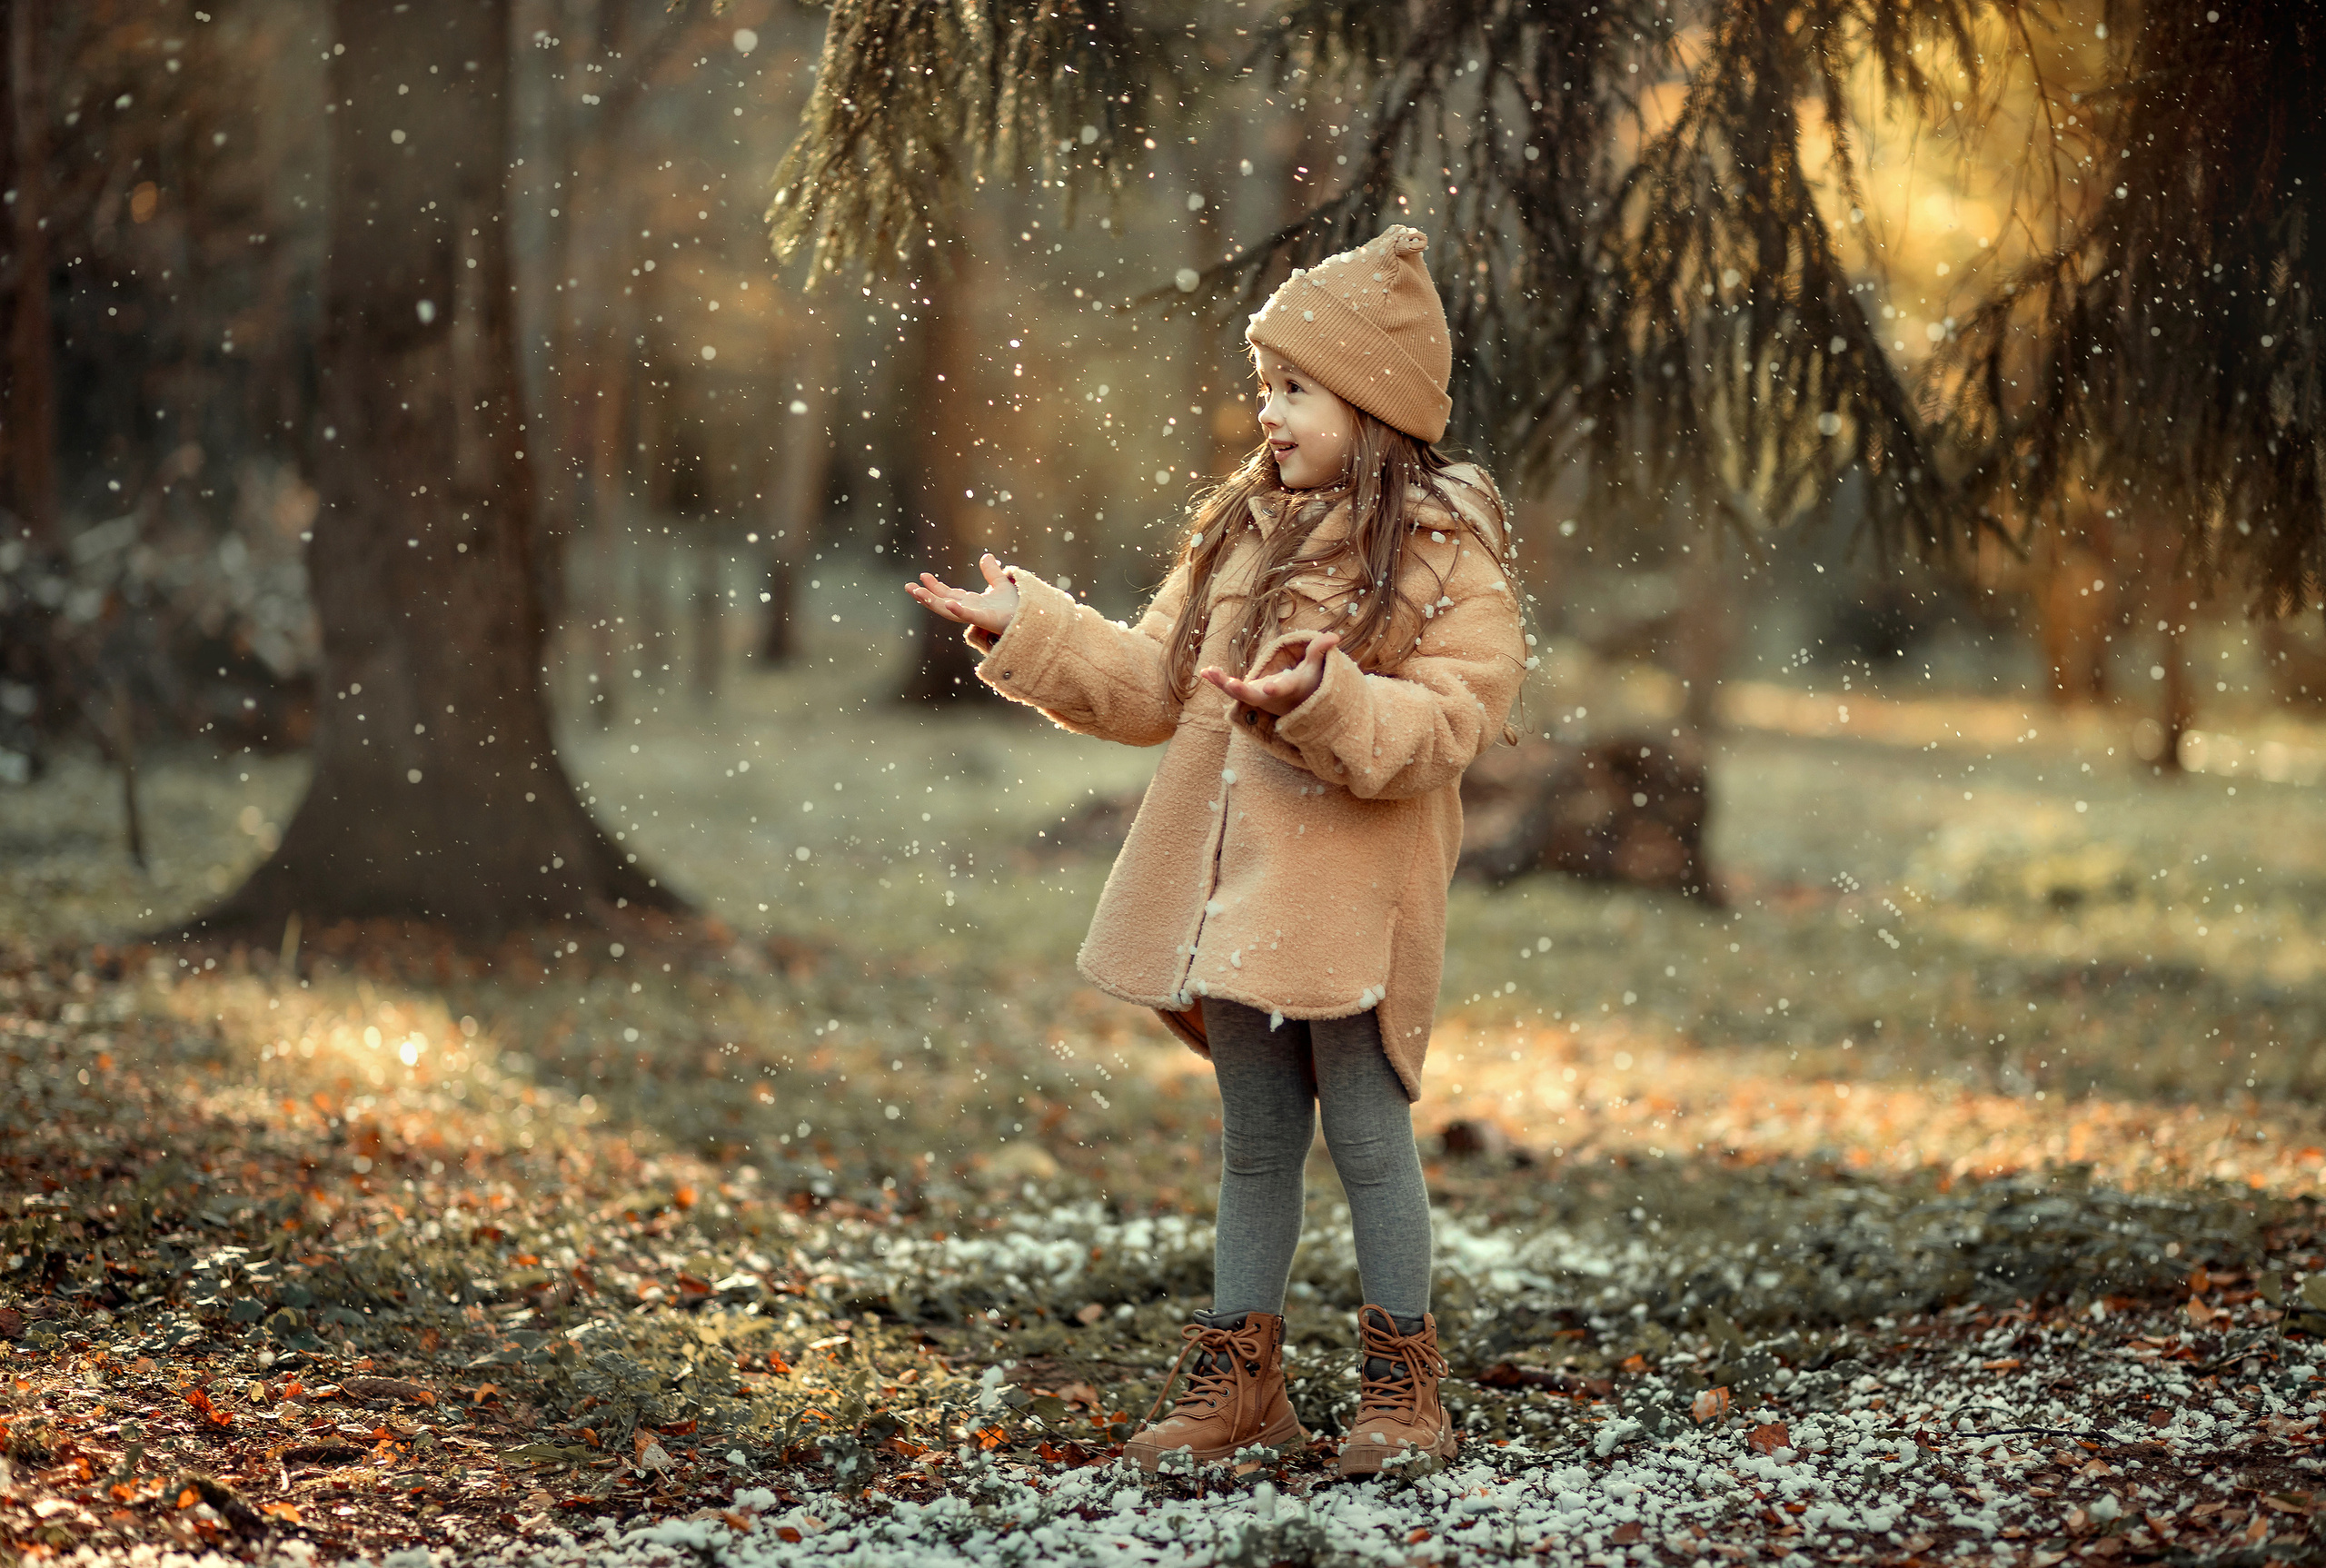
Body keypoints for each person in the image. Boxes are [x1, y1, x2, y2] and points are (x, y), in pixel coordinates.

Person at [904, 225, 1526, 1478]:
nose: (1268, 410)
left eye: (1296, 387)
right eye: (1265, 385)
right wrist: (1030, 626)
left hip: (1348, 902)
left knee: (1365, 1131)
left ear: (1374, 403)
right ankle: (1240, 1379)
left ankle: (1405, 1385)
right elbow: (1152, 683)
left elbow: (1453, 721)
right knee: (1253, 1137)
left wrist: (1326, 697)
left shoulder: (1443, 552)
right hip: (1230, 894)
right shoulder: (1239, 532)